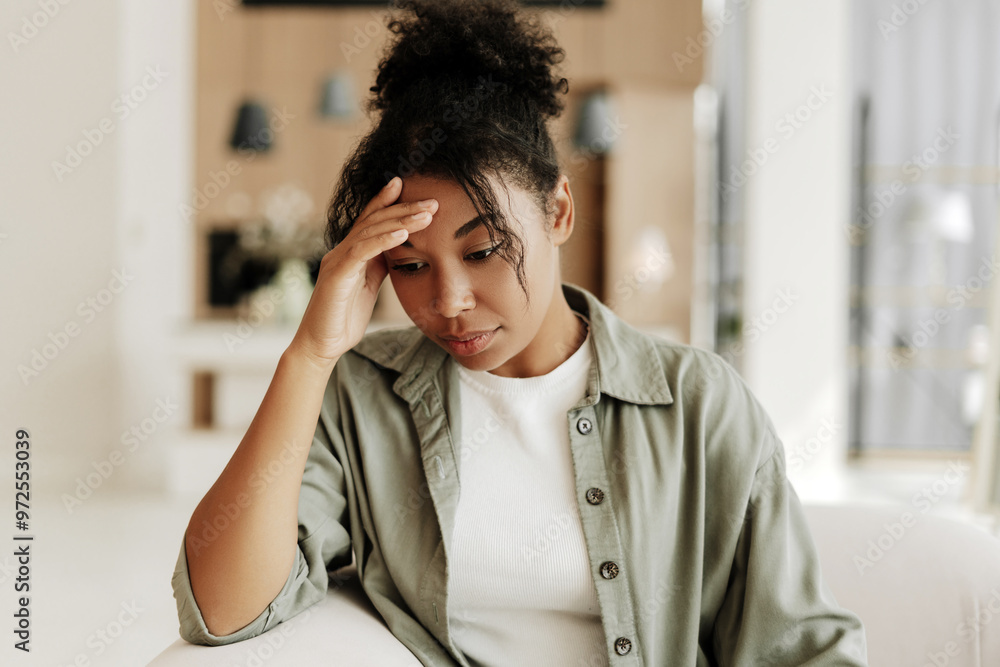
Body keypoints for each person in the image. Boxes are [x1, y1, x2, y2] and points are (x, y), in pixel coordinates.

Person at [171, 0, 869, 664]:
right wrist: (310, 353)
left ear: (558, 210)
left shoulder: (698, 404)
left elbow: (798, 646)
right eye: (410, 265)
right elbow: (225, 607)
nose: (450, 300)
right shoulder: (361, 398)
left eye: (483, 252)